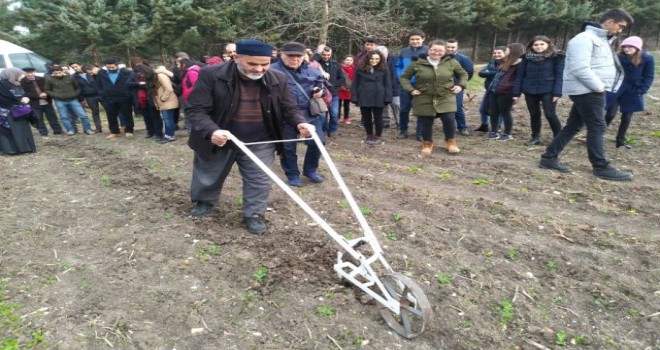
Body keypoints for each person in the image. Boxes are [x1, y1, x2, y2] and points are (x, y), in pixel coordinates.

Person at [185, 39, 314, 235]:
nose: (259, 69)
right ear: (236, 57)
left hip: (260, 140)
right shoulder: (212, 75)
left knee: (260, 180)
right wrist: (212, 131)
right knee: (209, 174)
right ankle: (205, 201)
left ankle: (254, 214)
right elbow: (196, 109)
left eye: (265, 64)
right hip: (222, 138)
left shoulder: (277, 78)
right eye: (252, 64)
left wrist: (299, 122)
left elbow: (289, 108)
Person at [539, 8, 635, 181]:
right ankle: (600, 166)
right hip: (588, 90)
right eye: (620, 26)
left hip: (590, 89)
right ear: (609, 21)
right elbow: (579, 68)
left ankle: (548, 157)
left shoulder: (601, 40)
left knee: (573, 126)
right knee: (597, 126)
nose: (620, 30)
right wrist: (598, 87)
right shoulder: (583, 39)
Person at [270, 41, 328, 187]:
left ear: (304, 56)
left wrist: (321, 92)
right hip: (285, 116)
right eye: (290, 56)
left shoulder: (313, 71)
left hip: (309, 114)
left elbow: (324, 88)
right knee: (288, 147)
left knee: (318, 142)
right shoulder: (271, 71)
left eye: (298, 56)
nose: (294, 59)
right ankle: (292, 175)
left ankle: (310, 170)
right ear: (281, 55)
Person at [400, 39, 468, 155]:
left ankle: (451, 142)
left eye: (440, 50)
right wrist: (410, 89)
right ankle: (427, 143)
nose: (437, 53)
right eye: (434, 50)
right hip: (424, 97)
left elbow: (463, 74)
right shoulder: (417, 62)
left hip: (446, 96)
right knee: (426, 121)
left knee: (449, 119)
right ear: (428, 50)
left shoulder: (451, 62)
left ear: (445, 51)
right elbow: (404, 77)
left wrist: (460, 86)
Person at [604, 36, 655, 149]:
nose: (626, 49)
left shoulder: (647, 59)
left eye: (629, 46)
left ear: (637, 47)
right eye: (624, 46)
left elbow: (649, 76)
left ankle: (620, 141)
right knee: (610, 114)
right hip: (616, 88)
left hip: (633, 90)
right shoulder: (617, 57)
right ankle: (596, 136)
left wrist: (642, 89)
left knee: (627, 116)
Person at [513, 36, 565, 145]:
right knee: (534, 114)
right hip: (530, 89)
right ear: (532, 46)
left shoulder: (557, 57)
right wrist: (516, 93)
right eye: (536, 44)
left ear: (548, 44)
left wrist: (557, 92)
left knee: (550, 114)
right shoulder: (526, 58)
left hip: (548, 89)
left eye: (542, 44)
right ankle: (535, 137)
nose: (538, 47)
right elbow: (520, 76)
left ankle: (558, 137)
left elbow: (559, 76)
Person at [351, 50, 392, 145]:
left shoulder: (384, 69)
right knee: (366, 117)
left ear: (380, 59)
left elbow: (388, 84)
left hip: (379, 96)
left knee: (378, 117)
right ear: (368, 59)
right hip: (364, 95)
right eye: (372, 58)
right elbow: (355, 84)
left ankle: (378, 136)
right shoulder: (360, 69)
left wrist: (387, 97)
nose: (374, 61)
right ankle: (369, 134)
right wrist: (355, 97)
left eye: (377, 59)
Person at [487, 43, 525, 141]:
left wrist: (516, 93)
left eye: (507, 50)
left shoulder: (520, 64)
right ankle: (494, 131)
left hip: (507, 92)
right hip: (495, 90)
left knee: (505, 112)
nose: (506, 51)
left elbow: (518, 80)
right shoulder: (505, 62)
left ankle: (507, 133)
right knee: (493, 112)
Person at [396, 29, 428, 139]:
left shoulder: (428, 51)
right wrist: (400, 76)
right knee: (404, 109)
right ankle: (403, 130)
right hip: (406, 84)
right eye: (412, 39)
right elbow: (398, 66)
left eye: (417, 39)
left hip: (422, 85)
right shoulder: (404, 52)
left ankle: (420, 133)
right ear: (409, 40)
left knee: (421, 110)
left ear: (423, 39)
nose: (415, 41)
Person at [44, 65, 95, 135]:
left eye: (59, 72)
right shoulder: (49, 79)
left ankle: (87, 129)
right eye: (56, 73)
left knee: (83, 115)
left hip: (73, 100)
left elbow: (77, 88)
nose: (58, 74)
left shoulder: (70, 77)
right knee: (64, 117)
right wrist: (55, 95)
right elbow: (47, 90)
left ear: (62, 71)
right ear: (52, 73)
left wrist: (75, 94)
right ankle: (70, 130)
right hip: (60, 101)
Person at [96, 58, 136, 138]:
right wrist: (102, 94)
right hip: (109, 98)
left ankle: (129, 130)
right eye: (108, 68)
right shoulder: (101, 73)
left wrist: (129, 94)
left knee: (127, 114)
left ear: (117, 65)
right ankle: (114, 131)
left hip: (124, 97)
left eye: (112, 67)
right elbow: (98, 84)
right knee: (111, 115)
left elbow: (131, 83)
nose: (111, 69)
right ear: (106, 66)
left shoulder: (126, 72)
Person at [0, 68, 37, 155]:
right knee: (14, 131)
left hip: (19, 111)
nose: (22, 77)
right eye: (20, 75)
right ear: (13, 75)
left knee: (22, 130)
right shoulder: (2, 85)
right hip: (7, 113)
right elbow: (5, 99)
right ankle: (13, 150)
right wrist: (20, 101)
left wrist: (25, 99)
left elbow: (21, 95)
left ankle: (25, 147)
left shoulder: (16, 84)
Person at [20, 66, 63, 137]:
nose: (30, 74)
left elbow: (48, 88)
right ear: (25, 73)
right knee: (38, 118)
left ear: (34, 72)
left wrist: (45, 93)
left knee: (52, 116)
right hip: (34, 103)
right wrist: (38, 95)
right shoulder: (23, 82)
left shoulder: (42, 79)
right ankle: (43, 133)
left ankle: (57, 130)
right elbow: (25, 93)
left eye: (31, 72)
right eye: (27, 73)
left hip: (46, 101)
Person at [315, 45, 346, 137]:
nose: (326, 56)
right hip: (321, 94)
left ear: (331, 54)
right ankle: (324, 130)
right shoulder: (317, 64)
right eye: (324, 54)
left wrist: (334, 85)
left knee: (334, 113)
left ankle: (332, 129)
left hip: (333, 93)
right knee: (323, 114)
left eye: (328, 54)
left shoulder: (336, 64)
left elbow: (342, 78)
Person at [445, 39, 474, 136]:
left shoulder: (464, 59)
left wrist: (460, 85)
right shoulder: (441, 57)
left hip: (456, 87)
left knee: (457, 107)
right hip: (442, 87)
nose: (450, 49)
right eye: (448, 47)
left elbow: (468, 73)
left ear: (457, 47)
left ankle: (462, 127)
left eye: (452, 47)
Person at [475, 46, 506, 132]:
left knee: (500, 110)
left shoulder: (507, 63)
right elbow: (481, 73)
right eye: (495, 53)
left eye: (499, 53)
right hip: (489, 89)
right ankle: (484, 125)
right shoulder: (492, 62)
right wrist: (494, 72)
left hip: (502, 91)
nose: (496, 54)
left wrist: (489, 72)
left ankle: (498, 127)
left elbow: (504, 73)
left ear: (505, 53)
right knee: (483, 109)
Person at [132, 64, 163, 140]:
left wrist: (144, 85)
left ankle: (158, 133)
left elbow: (153, 86)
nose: (139, 75)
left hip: (151, 99)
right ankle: (150, 131)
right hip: (141, 100)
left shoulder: (153, 76)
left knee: (155, 117)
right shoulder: (136, 78)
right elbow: (128, 84)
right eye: (138, 73)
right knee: (146, 117)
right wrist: (138, 84)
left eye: (140, 73)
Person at [152, 65, 180, 143]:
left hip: (168, 101)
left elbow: (169, 88)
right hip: (167, 102)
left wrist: (162, 99)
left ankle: (170, 136)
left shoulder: (161, 75)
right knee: (168, 119)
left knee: (168, 119)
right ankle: (168, 135)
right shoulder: (158, 75)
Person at [376, 45, 400, 129]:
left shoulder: (394, 59)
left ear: (387, 53)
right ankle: (385, 121)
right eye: (380, 55)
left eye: (383, 54)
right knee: (383, 105)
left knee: (396, 104)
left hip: (395, 86)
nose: (382, 56)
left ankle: (399, 122)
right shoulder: (375, 60)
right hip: (381, 87)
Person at [74, 64, 103, 133]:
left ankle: (114, 127)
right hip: (89, 97)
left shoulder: (94, 73)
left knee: (109, 110)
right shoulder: (75, 77)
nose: (75, 68)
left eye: (76, 66)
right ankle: (98, 128)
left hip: (100, 95)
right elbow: (78, 89)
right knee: (95, 112)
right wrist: (82, 99)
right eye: (73, 67)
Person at [338, 55, 354, 124]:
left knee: (347, 105)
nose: (349, 61)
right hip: (340, 89)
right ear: (344, 60)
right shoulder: (340, 68)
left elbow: (354, 79)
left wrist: (350, 87)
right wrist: (341, 86)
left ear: (353, 61)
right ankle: (337, 117)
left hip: (348, 89)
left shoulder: (354, 69)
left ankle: (346, 118)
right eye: (347, 60)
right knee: (338, 104)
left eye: (350, 60)